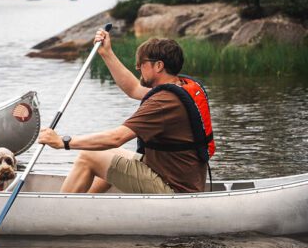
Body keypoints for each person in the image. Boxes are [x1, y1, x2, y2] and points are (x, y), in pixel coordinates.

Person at [38, 29, 215, 194]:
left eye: (142, 63)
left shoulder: (163, 102)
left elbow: (116, 138)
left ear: (159, 66)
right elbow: (133, 89)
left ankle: (60, 209)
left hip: (172, 189)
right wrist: (106, 53)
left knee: (88, 156)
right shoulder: (180, 88)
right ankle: (85, 205)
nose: (138, 67)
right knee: (110, 154)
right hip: (172, 175)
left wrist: (63, 142)